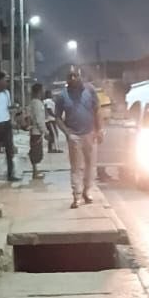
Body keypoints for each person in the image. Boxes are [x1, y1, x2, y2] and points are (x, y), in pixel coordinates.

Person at [56, 67, 103, 209]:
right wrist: (67, 133)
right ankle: (76, 196)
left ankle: (87, 191)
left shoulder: (90, 90)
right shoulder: (63, 96)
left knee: (90, 165)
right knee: (76, 167)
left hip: (90, 133)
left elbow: (97, 110)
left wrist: (99, 129)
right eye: (70, 76)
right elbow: (57, 117)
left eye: (75, 75)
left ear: (80, 76)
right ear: (67, 79)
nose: (73, 78)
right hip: (74, 135)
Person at [26, 81, 47, 179]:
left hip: (34, 131)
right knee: (36, 152)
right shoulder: (38, 104)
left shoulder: (32, 103)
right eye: (42, 90)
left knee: (35, 151)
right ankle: (35, 172)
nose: (43, 92)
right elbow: (39, 120)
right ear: (39, 91)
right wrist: (45, 131)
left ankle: (36, 170)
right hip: (36, 132)